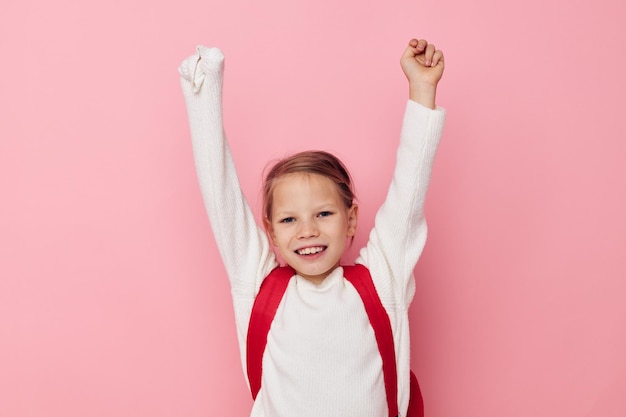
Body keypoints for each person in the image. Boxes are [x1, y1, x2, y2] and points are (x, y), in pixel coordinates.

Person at [179, 38, 446, 417]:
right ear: (270, 233)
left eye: (323, 214)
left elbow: (409, 192)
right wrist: (203, 90)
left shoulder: (382, 280)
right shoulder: (259, 286)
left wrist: (422, 90)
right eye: (289, 220)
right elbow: (220, 194)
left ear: (351, 218)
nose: (307, 231)